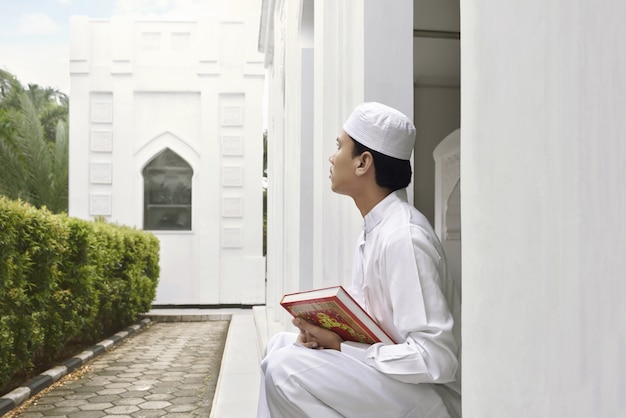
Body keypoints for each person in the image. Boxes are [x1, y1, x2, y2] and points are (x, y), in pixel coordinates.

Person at [257, 102, 462, 418]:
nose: (331, 156)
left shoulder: (403, 236)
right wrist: (326, 335)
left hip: (431, 398)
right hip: (396, 385)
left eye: (339, 146)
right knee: (280, 348)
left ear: (363, 163)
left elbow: (435, 359)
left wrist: (341, 347)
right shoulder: (374, 230)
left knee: (285, 370)